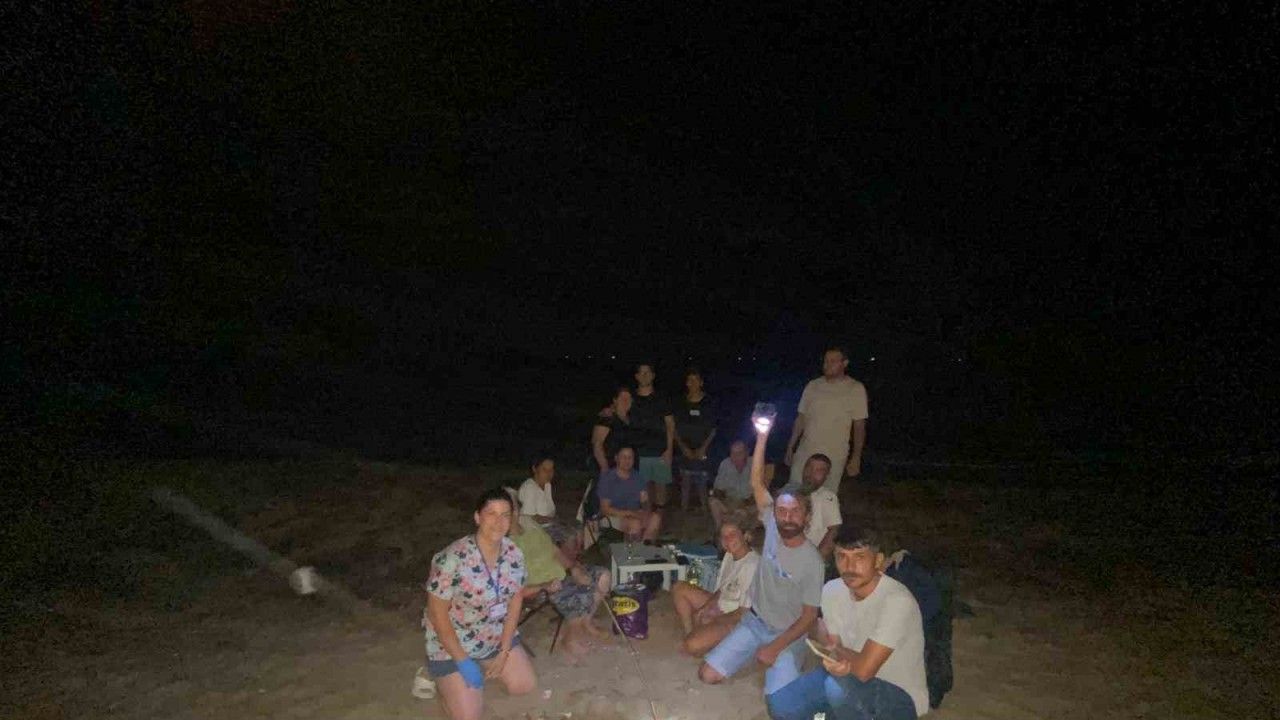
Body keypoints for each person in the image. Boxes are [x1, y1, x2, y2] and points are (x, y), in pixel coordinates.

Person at [697, 418, 824, 700]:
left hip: (788, 633)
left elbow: (808, 617)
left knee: (778, 702)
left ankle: (792, 658)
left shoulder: (812, 561)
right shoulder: (771, 527)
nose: (787, 517)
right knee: (707, 675)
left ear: (807, 517)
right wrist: (762, 436)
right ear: (773, 513)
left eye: (795, 512)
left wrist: (776, 647)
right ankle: (754, 651)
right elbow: (756, 482)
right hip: (754, 622)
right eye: (782, 511)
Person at [766, 526, 929, 720]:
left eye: (859, 557)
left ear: (878, 560)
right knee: (780, 704)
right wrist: (834, 655)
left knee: (836, 689)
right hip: (850, 679)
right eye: (842, 556)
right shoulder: (832, 590)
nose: (849, 566)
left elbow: (865, 669)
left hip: (898, 696)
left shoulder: (896, 601)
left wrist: (835, 649)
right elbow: (835, 647)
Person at [423, 488, 536, 720]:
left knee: (524, 686)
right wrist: (462, 659)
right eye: (491, 513)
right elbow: (437, 614)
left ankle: (481, 665)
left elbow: (516, 599)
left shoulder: (514, 553)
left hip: (493, 634)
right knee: (469, 716)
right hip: (453, 642)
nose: (498, 521)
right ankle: (443, 684)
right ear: (477, 517)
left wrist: (504, 650)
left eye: (505, 515)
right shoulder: (452, 558)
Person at [507, 494, 612, 659]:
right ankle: (571, 633)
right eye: (509, 509)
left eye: (515, 507)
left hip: (563, 575)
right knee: (578, 645)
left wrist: (573, 568)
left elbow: (554, 550)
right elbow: (515, 586)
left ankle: (586, 622)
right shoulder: (505, 543)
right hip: (544, 586)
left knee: (603, 576)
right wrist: (544, 585)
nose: (514, 512)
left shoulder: (528, 523)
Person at [670, 509, 760, 656]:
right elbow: (721, 589)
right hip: (724, 604)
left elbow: (745, 613)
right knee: (679, 588)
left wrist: (715, 618)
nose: (727, 539)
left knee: (693, 645)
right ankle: (691, 634)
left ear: (746, 536)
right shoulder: (729, 555)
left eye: (733, 534)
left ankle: (709, 642)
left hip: (739, 618)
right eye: (724, 536)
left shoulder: (752, 565)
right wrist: (706, 607)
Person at [784, 346, 869, 494]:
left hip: (835, 454)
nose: (827, 365)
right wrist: (790, 447)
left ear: (844, 363)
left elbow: (859, 426)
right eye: (825, 361)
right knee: (794, 492)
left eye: (833, 361)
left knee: (825, 496)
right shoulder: (813, 386)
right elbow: (801, 418)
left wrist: (856, 458)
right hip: (806, 451)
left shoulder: (855, 389)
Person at [778, 453, 842, 560]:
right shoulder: (790, 490)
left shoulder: (827, 497)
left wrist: (816, 561)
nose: (811, 473)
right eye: (809, 467)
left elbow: (834, 531)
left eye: (819, 470)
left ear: (826, 475)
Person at [629, 363, 676, 508]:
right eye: (641, 373)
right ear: (636, 376)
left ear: (653, 375)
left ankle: (659, 519)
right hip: (638, 453)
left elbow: (670, 424)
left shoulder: (662, 398)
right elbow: (618, 411)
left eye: (647, 372)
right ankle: (647, 519)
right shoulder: (631, 398)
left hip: (660, 451)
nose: (644, 375)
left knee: (661, 492)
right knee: (644, 493)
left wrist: (669, 449)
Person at [596, 446, 662, 543]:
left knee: (655, 518)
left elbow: (645, 501)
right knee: (635, 524)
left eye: (630, 457)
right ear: (616, 458)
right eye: (624, 457)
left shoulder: (638, 477)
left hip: (634, 513)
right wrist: (630, 513)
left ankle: (644, 547)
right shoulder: (608, 478)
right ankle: (631, 551)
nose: (627, 460)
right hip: (613, 515)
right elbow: (605, 509)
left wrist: (645, 512)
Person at [674, 367, 717, 511]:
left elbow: (714, 428)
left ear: (701, 382)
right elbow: (675, 427)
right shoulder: (680, 402)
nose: (692, 383)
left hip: (704, 449)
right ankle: (683, 512)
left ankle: (706, 511)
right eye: (690, 380)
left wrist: (703, 448)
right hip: (684, 449)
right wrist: (683, 448)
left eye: (696, 380)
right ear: (686, 383)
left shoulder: (709, 402)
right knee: (685, 482)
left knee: (703, 482)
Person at [516, 454, 576, 553]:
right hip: (536, 529)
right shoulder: (529, 488)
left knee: (575, 528)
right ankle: (566, 560)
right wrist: (555, 520)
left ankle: (571, 558)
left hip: (549, 525)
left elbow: (550, 511)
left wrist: (557, 521)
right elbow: (529, 518)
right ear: (535, 469)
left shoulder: (547, 485)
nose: (549, 473)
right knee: (570, 536)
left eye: (551, 470)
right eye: (544, 469)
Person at [708, 440, 753, 531]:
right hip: (729, 500)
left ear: (746, 453)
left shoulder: (754, 464)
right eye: (733, 453)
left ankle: (731, 531)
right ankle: (719, 530)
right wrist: (726, 505)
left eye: (739, 453)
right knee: (713, 502)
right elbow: (718, 489)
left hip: (748, 503)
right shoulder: (725, 464)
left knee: (742, 513)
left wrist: (743, 505)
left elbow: (760, 490)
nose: (735, 456)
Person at [591, 387, 637, 473]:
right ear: (615, 400)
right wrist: (605, 468)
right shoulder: (607, 418)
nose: (625, 401)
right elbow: (597, 445)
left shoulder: (631, 420)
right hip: (610, 468)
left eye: (628, 398)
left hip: (627, 470)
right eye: (622, 398)